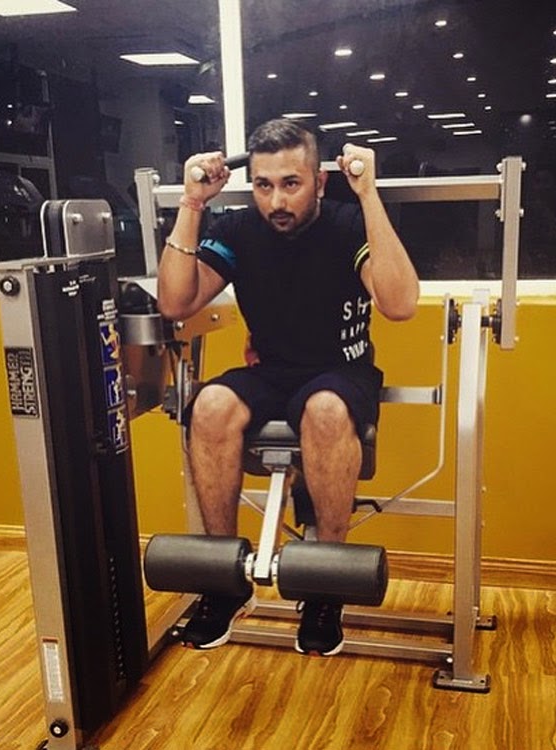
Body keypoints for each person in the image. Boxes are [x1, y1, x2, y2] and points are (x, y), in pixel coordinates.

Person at [157, 118, 419, 656]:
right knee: (209, 404)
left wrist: (368, 195)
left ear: (319, 182)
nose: (276, 200)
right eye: (263, 185)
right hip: (271, 371)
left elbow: (400, 304)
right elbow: (175, 302)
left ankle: (325, 586)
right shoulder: (239, 230)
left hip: (340, 371)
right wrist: (192, 203)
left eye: (291, 184)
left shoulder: (347, 224)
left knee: (324, 409)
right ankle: (222, 582)